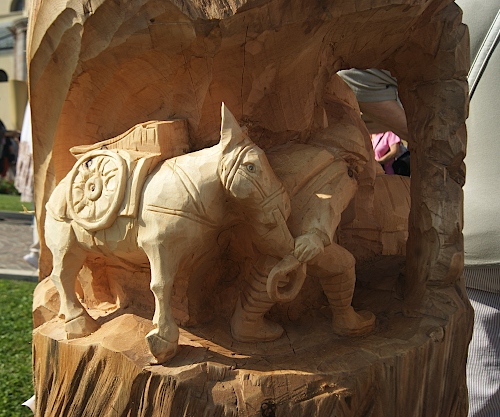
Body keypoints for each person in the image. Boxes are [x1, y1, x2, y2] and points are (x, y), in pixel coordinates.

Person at [338, 1, 500, 413]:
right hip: (480, 239)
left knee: (483, 382)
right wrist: (438, 137)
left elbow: (360, 77)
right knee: (482, 380)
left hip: (477, 232)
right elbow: (358, 72)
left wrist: (434, 137)